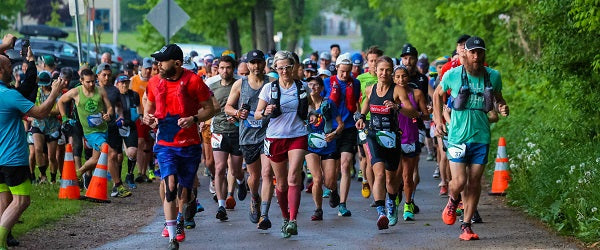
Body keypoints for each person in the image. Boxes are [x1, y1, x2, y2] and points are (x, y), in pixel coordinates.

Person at [433, 36, 509, 241]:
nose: (476, 56)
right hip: (458, 136)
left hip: (481, 137)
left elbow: (498, 98)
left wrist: (502, 106)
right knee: (459, 181)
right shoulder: (452, 75)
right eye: (472, 52)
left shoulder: (493, 76)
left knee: (474, 182)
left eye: (479, 52)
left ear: (484, 54)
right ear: (464, 53)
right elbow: (437, 94)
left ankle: (466, 226)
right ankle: (452, 200)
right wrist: (438, 119)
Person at [143, 44, 215, 249]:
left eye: (161, 61)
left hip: (189, 144)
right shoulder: (154, 82)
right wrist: (149, 119)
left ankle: (187, 205)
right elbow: (148, 109)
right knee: (170, 185)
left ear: (176, 63)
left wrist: (193, 118)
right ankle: (173, 234)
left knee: (185, 190)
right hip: (165, 143)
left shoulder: (193, 81)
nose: (157, 65)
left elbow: (212, 108)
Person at [0, 54, 66, 250]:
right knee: (22, 200)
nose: (12, 70)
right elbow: (41, 113)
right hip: (12, 157)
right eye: (8, 67)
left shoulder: (9, 96)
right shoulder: (9, 95)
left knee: (3, 199)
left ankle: (3, 242)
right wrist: (54, 92)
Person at [355, 56, 418, 230]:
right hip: (373, 135)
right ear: (375, 70)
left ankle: (392, 203)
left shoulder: (398, 90)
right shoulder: (370, 89)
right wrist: (361, 116)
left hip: (392, 139)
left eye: (388, 70)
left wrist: (397, 107)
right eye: (381, 69)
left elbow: (413, 112)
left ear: (392, 72)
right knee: (379, 174)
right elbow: (366, 102)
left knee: (391, 180)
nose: (384, 73)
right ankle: (381, 211)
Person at [255, 50, 309, 238]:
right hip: (275, 137)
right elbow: (257, 113)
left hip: (298, 135)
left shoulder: (302, 87)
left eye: (288, 67)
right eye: (281, 68)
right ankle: (285, 218)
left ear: (293, 67)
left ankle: (293, 220)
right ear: (275, 69)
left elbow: (310, 109)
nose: (284, 71)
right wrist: (266, 111)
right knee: (282, 182)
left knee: (294, 176)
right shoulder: (269, 89)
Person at [224, 50, 274, 229]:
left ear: (264, 63)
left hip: (268, 133)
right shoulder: (240, 84)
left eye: (259, 62)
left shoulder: (272, 83)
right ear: (247, 65)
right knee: (254, 176)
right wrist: (237, 113)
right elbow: (228, 107)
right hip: (248, 135)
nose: (256, 66)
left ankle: (265, 215)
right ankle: (255, 197)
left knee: (267, 174)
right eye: (252, 63)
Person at [58, 69, 114, 190]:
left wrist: (108, 114)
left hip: (103, 129)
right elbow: (60, 101)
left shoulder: (100, 90)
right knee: (108, 151)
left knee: (95, 159)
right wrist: (64, 118)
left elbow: (109, 107)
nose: (91, 84)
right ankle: (118, 185)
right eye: (88, 82)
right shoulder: (76, 92)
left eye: (93, 81)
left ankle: (78, 173)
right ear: (81, 81)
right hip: (91, 132)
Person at [321, 53, 361, 217]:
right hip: (331, 129)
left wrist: (360, 117)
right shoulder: (326, 82)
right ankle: (333, 190)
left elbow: (356, 103)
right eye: (342, 71)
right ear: (336, 68)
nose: (345, 75)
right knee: (330, 176)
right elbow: (321, 104)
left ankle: (343, 205)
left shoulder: (356, 83)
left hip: (349, 128)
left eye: (348, 71)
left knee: (345, 166)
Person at [209, 55, 247, 221]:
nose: (225, 71)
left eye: (228, 68)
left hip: (237, 132)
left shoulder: (240, 84)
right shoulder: (211, 85)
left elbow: (247, 106)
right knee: (219, 168)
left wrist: (238, 117)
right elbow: (206, 107)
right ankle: (221, 206)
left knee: (236, 170)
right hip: (218, 131)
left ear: (234, 68)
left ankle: (241, 181)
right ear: (218, 68)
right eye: (222, 68)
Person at [393, 65, 430, 222]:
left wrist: (417, 114)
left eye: (404, 76)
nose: (401, 79)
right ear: (393, 79)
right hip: (393, 138)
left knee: (408, 175)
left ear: (409, 77)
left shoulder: (417, 93)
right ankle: (395, 197)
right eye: (398, 77)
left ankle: (408, 205)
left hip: (411, 136)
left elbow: (427, 116)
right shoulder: (390, 93)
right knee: (395, 176)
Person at [304, 76, 344, 221]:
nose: (313, 87)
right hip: (310, 146)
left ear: (321, 88)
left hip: (328, 145)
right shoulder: (303, 103)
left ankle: (333, 190)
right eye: (310, 85)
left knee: (329, 181)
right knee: (317, 179)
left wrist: (333, 134)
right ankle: (318, 210)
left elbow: (341, 124)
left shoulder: (328, 104)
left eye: (316, 85)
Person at [96, 63, 133, 198]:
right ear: (98, 75)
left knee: (117, 156)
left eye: (109, 75)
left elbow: (118, 106)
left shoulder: (114, 90)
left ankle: (115, 186)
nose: (106, 78)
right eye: (104, 75)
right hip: (96, 128)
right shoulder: (92, 89)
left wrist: (120, 116)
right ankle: (86, 179)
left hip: (112, 126)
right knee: (98, 158)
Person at [356, 46, 384, 200]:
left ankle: (379, 187)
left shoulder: (388, 77)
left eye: (377, 60)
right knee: (368, 157)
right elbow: (355, 99)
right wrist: (358, 115)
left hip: (383, 121)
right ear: (367, 62)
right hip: (366, 121)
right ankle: (375, 194)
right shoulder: (361, 79)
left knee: (381, 159)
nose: (374, 63)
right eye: (371, 61)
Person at [114, 75, 141, 189]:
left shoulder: (134, 95)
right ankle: (118, 179)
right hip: (116, 127)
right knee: (118, 156)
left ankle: (129, 175)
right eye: (122, 83)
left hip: (130, 126)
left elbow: (139, 109)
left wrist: (139, 116)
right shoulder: (113, 95)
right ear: (117, 84)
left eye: (126, 82)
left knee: (132, 152)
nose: (124, 85)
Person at [130, 57, 155, 182]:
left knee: (148, 144)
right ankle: (140, 171)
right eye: (146, 68)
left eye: (150, 69)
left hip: (151, 116)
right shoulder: (133, 80)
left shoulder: (153, 81)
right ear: (141, 68)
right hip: (138, 116)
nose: (148, 71)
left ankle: (146, 171)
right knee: (140, 142)